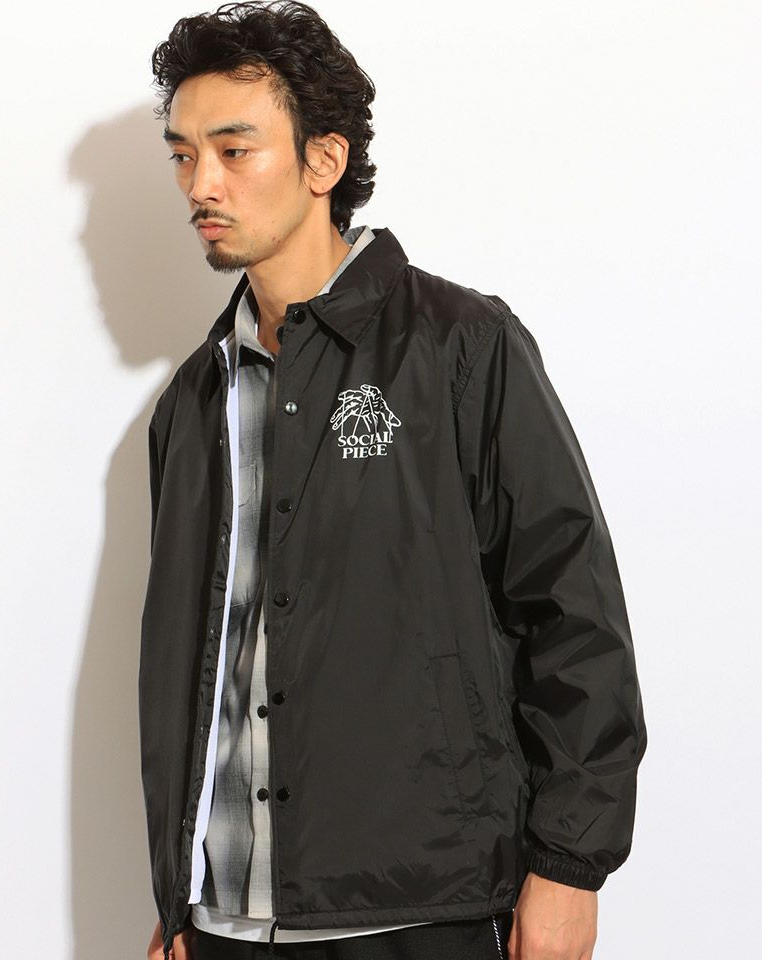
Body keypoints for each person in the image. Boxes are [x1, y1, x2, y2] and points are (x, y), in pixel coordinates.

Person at [139, 3, 648, 959]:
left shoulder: (461, 345)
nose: (200, 183)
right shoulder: (193, 402)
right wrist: (178, 896)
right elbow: (196, 666)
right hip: (224, 921)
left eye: (234, 150)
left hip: (419, 910)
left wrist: (570, 866)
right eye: (183, 155)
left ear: (323, 161)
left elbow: (571, 611)